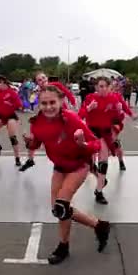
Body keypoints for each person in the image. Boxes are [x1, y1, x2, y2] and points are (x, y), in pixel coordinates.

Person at [24, 84, 110, 265]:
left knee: (62, 206)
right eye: (44, 103)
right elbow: (35, 145)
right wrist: (29, 143)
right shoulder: (37, 122)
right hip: (60, 166)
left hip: (79, 165)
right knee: (58, 209)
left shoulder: (71, 119)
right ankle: (99, 225)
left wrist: (81, 144)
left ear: (61, 101)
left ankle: (63, 247)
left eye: (52, 102)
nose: (48, 107)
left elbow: (95, 144)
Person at [19, 72, 77, 172]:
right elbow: (31, 102)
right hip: (47, 115)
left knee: (67, 137)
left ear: (47, 78)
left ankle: (75, 159)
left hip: (61, 114)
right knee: (34, 133)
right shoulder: (38, 90)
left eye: (43, 78)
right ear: (37, 82)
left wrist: (73, 103)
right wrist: (34, 94)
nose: (42, 80)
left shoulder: (56, 85)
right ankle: (30, 159)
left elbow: (67, 93)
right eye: (39, 80)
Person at [78, 77, 122, 205]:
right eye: (100, 86)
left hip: (105, 132)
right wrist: (89, 108)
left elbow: (117, 119)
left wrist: (119, 111)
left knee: (103, 160)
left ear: (109, 87)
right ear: (96, 87)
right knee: (89, 163)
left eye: (105, 86)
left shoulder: (113, 99)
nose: (102, 89)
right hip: (91, 131)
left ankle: (99, 190)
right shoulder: (90, 98)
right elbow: (80, 115)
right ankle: (98, 176)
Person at [0, 75, 23, 166]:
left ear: (3, 82)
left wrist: (10, 104)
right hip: (0, 115)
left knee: (13, 137)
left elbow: (19, 105)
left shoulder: (12, 92)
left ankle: (17, 158)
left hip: (11, 115)